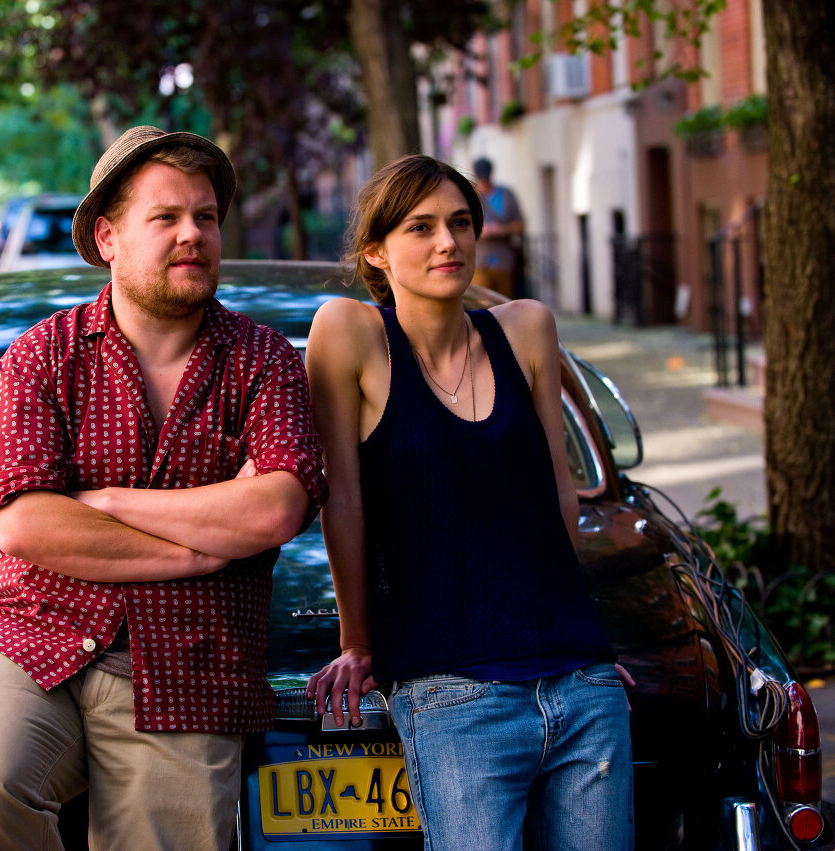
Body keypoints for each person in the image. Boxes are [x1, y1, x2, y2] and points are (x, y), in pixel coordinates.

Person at [0, 125, 326, 851]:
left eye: (205, 217)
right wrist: (199, 548)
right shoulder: (41, 356)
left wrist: (105, 501)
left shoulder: (265, 361)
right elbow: (23, 524)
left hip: (193, 654)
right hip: (39, 633)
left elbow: (277, 507)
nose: (193, 234)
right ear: (108, 237)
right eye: (166, 217)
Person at [305, 154, 631, 850]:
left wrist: (584, 642)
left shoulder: (527, 328)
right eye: (420, 227)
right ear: (376, 251)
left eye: (459, 223)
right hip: (451, 691)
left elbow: (558, 495)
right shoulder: (350, 334)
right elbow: (343, 500)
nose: (448, 242)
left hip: (579, 682)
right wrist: (357, 642)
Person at [471, 156, 526, 298]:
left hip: (504, 261)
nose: (484, 182)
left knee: (504, 303)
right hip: (479, 262)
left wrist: (501, 229)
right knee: (482, 303)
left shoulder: (506, 195)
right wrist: (481, 231)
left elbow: (520, 226)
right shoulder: (470, 196)